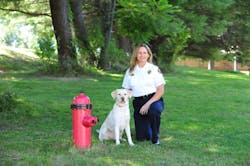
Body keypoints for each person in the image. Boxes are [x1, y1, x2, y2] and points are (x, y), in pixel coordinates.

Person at [122, 44, 165, 145]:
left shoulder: (154, 69)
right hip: (138, 102)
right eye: (139, 53)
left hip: (154, 99)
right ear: (136, 55)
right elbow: (127, 90)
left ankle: (155, 137)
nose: (142, 55)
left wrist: (147, 104)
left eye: (144, 53)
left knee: (154, 110)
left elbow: (160, 90)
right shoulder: (130, 71)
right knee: (142, 137)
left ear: (148, 55)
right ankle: (149, 125)